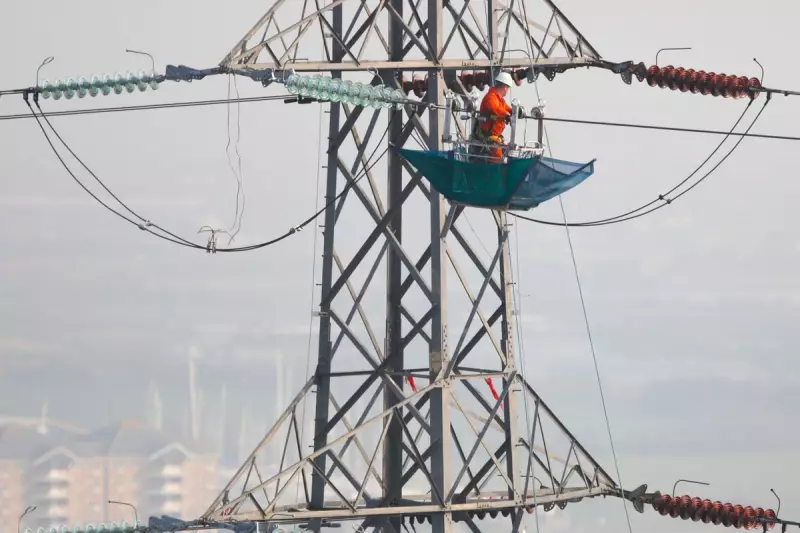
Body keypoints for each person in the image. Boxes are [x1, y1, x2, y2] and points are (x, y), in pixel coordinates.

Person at [471, 71, 514, 163]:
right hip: (488, 137)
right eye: (508, 88)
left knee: (505, 153)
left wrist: (515, 111)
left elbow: (506, 108)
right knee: (497, 161)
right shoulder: (491, 97)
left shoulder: (499, 99)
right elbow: (495, 109)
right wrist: (506, 115)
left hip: (494, 137)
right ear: (505, 87)